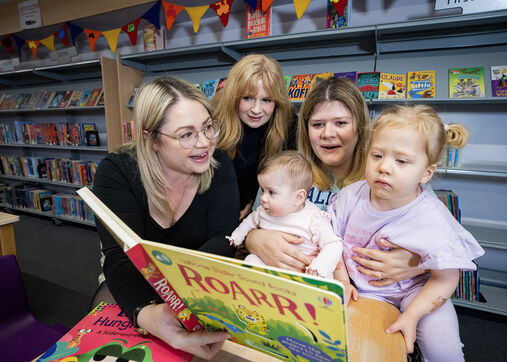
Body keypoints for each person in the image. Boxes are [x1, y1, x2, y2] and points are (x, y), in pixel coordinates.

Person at [92, 75, 240, 359]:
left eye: (208, 127)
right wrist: (146, 314)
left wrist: (179, 298)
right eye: (186, 134)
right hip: (133, 279)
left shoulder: (221, 167)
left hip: (195, 282)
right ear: (152, 140)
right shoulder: (116, 172)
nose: (205, 143)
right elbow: (118, 256)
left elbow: (224, 239)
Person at [330, 104, 485, 360]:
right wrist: (343, 281)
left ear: (426, 173)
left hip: (415, 292)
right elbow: (331, 240)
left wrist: (412, 315)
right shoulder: (348, 197)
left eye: (401, 161)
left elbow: (446, 279)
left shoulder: (433, 218)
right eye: (377, 155)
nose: (384, 167)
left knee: (444, 350)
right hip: (354, 285)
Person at [244, 77, 425, 285]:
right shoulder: (284, 172)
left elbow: (447, 246)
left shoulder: (389, 174)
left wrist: (418, 264)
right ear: (306, 129)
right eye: (317, 124)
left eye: (341, 123)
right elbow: (251, 226)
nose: (328, 134)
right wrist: (255, 240)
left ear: (360, 126)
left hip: (370, 296)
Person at [227, 150, 343, 278]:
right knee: (251, 259)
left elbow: (333, 244)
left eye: (271, 192)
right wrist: (237, 236)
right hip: (271, 270)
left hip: (305, 272)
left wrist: (320, 267)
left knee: (321, 278)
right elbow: (249, 222)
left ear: (298, 197)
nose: (263, 198)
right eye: (263, 190)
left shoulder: (314, 219)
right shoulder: (263, 210)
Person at [213, 54, 295, 219]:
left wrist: (255, 204)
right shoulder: (213, 119)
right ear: (234, 96)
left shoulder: (289, 124)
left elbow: (289, 180)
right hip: (216, 208)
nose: (256, 109)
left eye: (266, 100)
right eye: (248, 98)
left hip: (263, 211)